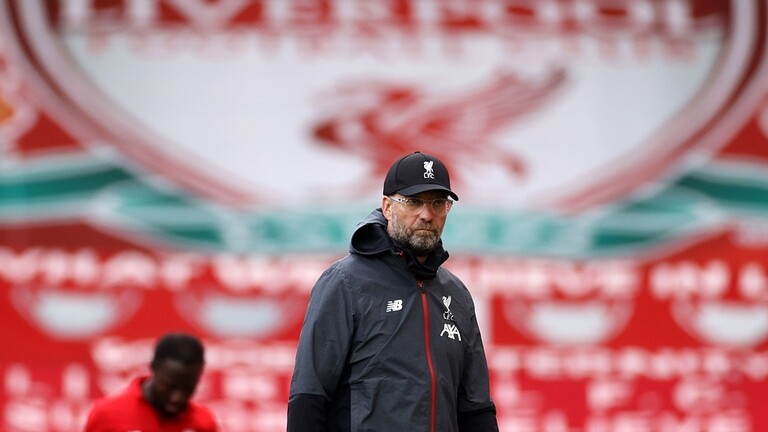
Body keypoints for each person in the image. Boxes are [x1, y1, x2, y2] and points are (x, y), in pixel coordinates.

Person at [288, 151, 499, 431]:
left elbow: (476, 407)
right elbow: (309, 395)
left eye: (438, 203)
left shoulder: (457, 294)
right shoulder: (344, 282)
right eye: (413, 202)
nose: (427, 215)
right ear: (387, 207)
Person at [83, 332, 218, 432]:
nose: (177, 397)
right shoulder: (107, 415)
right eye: (169, 386)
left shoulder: (203, 421)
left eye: (188, 387)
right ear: (153, 367)